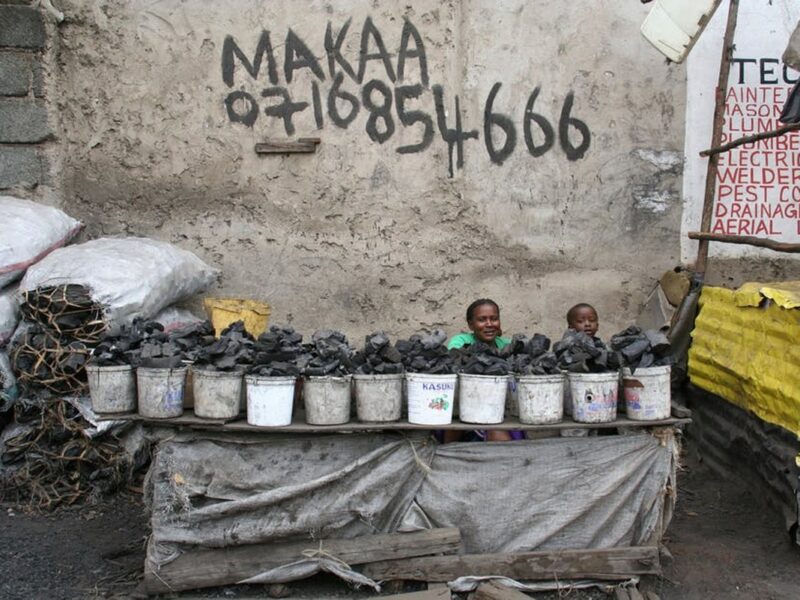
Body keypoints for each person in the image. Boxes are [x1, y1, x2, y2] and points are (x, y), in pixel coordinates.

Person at [443, 298, 518, 443]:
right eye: (482, 320)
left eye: (494, 319)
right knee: (453, 423)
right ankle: (447, 452)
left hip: (500, 410)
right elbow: (454, 359)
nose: (489, 324)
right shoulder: (461, 342)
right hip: (467, 407)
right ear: (471, 324)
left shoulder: (507, 345)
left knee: (498, 432)